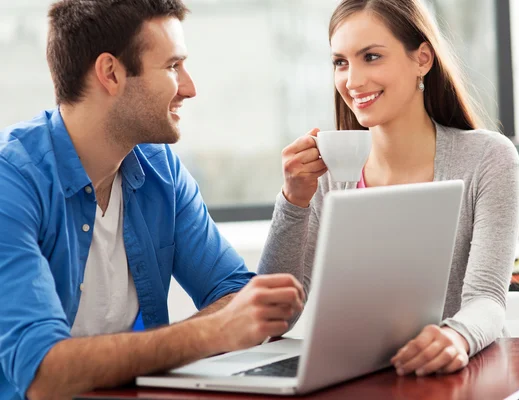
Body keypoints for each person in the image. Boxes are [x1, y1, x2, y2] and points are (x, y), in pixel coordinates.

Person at [0, 1, 304, 399]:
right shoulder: (13, 182)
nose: (190, 88)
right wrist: (211, 331)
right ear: (111, 73)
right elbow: (41, 373)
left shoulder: (161, 170)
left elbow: (236, 291)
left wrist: (230, 321)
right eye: (173, 66)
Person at [258, 0, 519, 377]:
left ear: (423, 59)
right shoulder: (327, 175)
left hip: (457, 379)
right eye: (341, 62)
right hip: (358, 378)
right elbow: (275, 319)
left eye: (371, 56)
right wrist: (293, 201)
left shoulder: (488, 158)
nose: (352, 80)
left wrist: (456, 337)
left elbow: (487, 300)